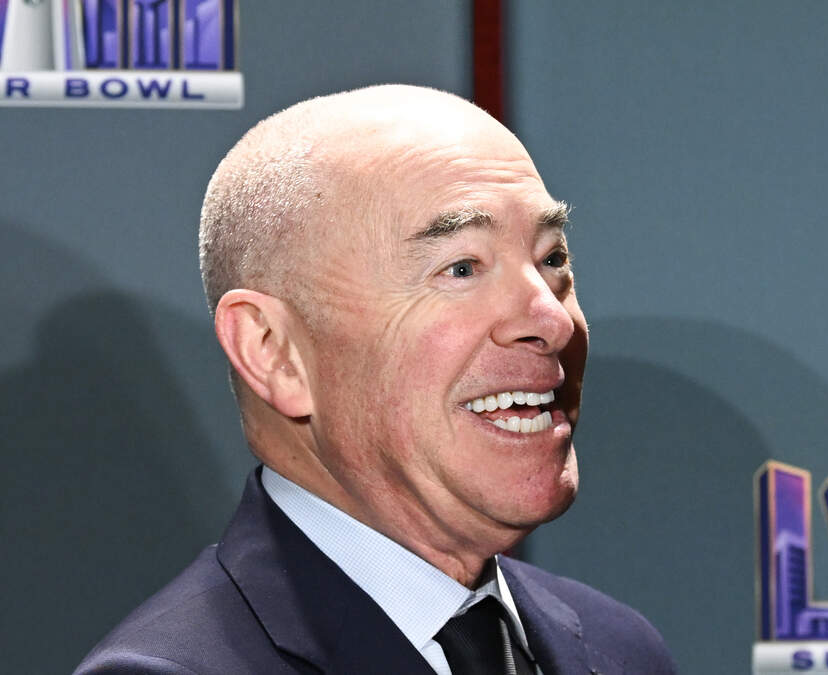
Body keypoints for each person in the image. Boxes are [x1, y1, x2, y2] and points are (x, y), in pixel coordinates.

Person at [75, 85, 677, 675]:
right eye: (461, 268)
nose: (552, 320)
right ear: (273, 352)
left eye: (552, 258)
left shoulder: (619, 649)